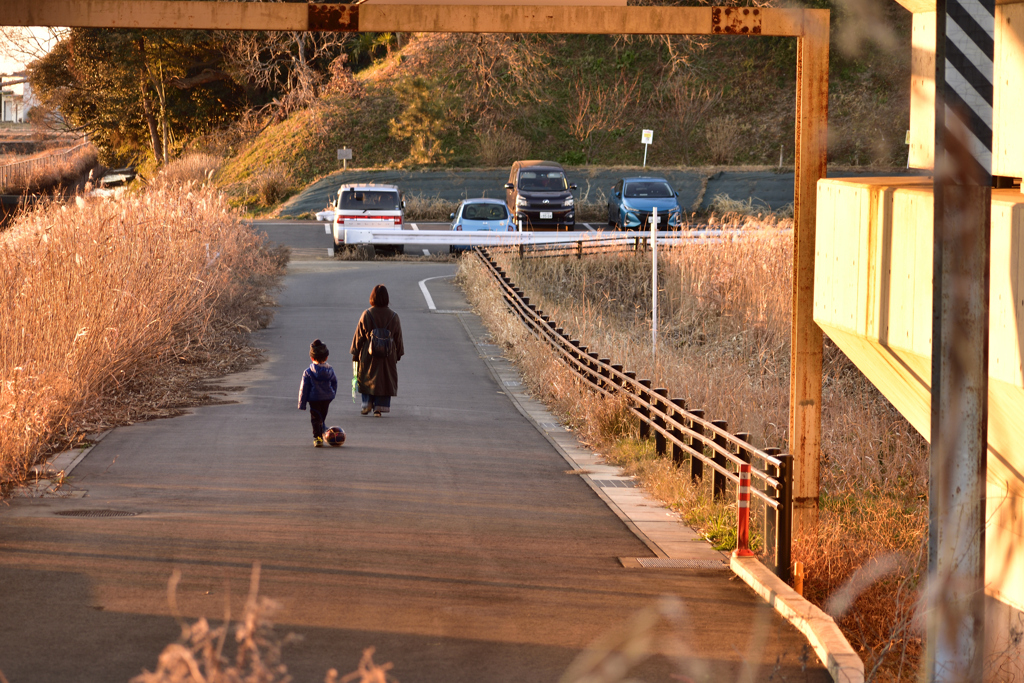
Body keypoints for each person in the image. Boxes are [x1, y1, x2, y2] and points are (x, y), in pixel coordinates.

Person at [350, 284, 404, 417]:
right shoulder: (394, 316)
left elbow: (359, 336)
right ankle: (379, 408)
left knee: (367, 376)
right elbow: (398, 338)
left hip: (369, 353)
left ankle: (367, 404)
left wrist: (355, 353)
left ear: (372, 297)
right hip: (387, 353)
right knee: (385, 378)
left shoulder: (367, 314)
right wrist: (397, 354)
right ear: (387, 298)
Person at [298, 339, 338, 447]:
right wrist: (332, 393)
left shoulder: (308, 372)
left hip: (314, 399)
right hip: (327, 398)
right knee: (322, 415)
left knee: (315, 418)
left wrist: (302, 404)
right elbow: (334, 382)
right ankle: (322, 430)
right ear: (326, 357)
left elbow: (304, 388)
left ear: (311, 358)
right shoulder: (330, 370)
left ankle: (318, 438)